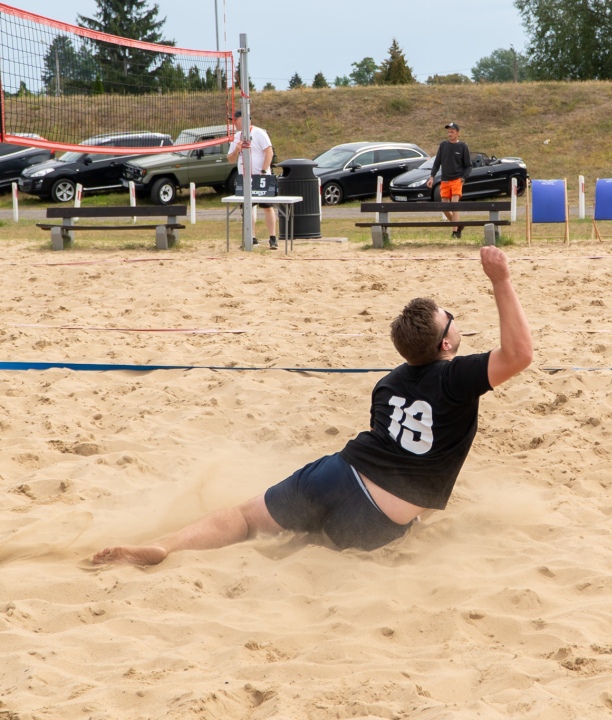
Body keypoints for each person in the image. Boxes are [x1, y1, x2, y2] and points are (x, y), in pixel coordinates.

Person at [93, 246, 533, 566]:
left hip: (336, 474)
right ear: (445, 344)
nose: (454, 319)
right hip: (377, 519)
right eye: (450, 319)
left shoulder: (387, 384)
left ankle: (167, 546)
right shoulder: (456, 375)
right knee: (331, 538)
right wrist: (501, 281)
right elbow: (520, 355)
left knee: (245, 519)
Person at [227, 110, 278, 249]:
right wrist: (237, 150)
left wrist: (263, 171)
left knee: (267, 207)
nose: (234, 123)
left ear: (244, 119)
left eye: (235, 120)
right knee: (247, 208)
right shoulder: (237, 137)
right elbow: (230, 159)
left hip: (260, 177)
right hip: (245, 178)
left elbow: (269, 152)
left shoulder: (259, 133)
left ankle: (272, 238)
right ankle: (251, 237)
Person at [427, 122, 472, 239]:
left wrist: (463, 178)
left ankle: (455, 232)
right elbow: (437, 163)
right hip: (445, 180)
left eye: (452, 132)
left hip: (457, 179)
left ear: (458, 133)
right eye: (448, 132)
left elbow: (469, 165)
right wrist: (432, 176)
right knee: (444, 207)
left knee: (454, 205)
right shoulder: (443, 145)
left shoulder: (463, 147)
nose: (450, 134)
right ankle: (458, 225)